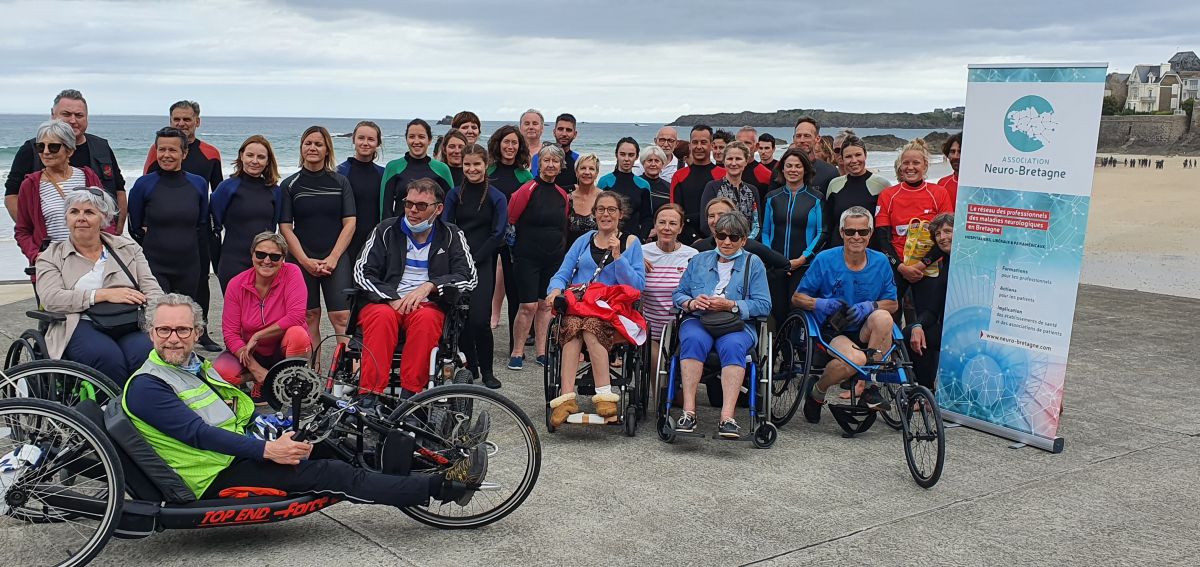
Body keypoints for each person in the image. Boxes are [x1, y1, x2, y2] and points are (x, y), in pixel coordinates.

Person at [122, 293, 487, 507]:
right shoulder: (148, 386)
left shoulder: (193, 365)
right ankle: (446, 487)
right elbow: (199, 435)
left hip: (240, 447)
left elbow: (231, 413)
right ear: (150, 332)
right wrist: (270, 451)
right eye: (164, 330)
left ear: (197, 333)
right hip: (212, 474)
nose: (173, 338)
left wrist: (274, 431)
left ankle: (438, 458)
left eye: (182, 329)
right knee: (333, 473)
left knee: (339, 440)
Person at [354, 178, 477, 407]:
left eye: (421, 206)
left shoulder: (451, 235)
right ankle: (369, 397)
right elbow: (362, 272)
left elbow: (468, 277)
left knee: (427, 319)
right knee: (381, 318)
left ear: (438, 209)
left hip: (427, 304)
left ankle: (411, 397)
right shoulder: (385, 230)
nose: (412, 210)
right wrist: (391, 298)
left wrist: (430, 286)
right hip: (387, 302)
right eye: (408, 203)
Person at [35, 189, 162, 385]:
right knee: (107, 358)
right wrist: (102, 295)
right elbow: (51, 299)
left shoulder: (127, 248)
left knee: (144, 353)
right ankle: (111, 411)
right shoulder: (51, 256)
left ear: (104, 218)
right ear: (67, 217)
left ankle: (141, 406)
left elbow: (152, 289)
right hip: (79, 321)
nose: (81, 218)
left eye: (89, 212)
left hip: (128, 319)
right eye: (74, 212)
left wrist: (158, 321)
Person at [545, 191, 645, 426]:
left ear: (620, 214)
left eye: (611, 210)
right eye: (601, 209)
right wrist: (555, 290)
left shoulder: (631, 242)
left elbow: (637, 286)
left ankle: (604, 396)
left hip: (612, 309)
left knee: (590, 326)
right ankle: (566, 398)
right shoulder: (583, 240)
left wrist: (618, 256)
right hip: (581, 306)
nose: (606, 214)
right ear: (594, 214)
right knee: (569, 326)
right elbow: (563, 273)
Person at [672, 211, 771, 439]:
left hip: (736, 324)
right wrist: (691, 302)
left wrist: (731, 305)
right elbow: (678, 294)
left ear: (744, 240)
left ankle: (727, 417)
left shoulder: (753, 263)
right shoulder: (699, 260)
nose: (727, 241)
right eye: (722, 235)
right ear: (715, 236)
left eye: (734, 237)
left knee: (734, 345)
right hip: (699, 319)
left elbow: (764, 305)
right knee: (693, 340)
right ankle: (688, 412)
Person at [795, 206, 899, 420]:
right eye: (850, 231)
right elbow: (797, 298)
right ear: (842, 232)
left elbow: (893, 303)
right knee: (856, 359)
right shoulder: (825, 259)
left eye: (862, 232)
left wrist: (870, 306)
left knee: (883, 316)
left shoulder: (880, 261)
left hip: (866, 328)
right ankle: (818, 390)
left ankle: (870, 387)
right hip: (833, 329)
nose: (856, 237)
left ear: (870, 233)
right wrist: (822, 304)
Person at [141, 101, 224, 350]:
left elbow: (217, 193)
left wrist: (215, 227)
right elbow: (146, 188)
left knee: (200, 283)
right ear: (170, 121)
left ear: (197, 122)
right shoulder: (158, 151)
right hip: (164, 230)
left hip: (199, 229)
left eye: (187, 119)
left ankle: (203, 331)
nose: (181, 124)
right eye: (176, 119)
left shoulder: (210, 153)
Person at [279, 126, 357, 349]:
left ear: (327, 150)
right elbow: (285, 227)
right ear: (302, 148)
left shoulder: (340, 182)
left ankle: (345, 374)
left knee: (342, 317)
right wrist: (304, 261)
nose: (312, 147)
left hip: (336, 257)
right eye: (308, 143)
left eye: (318, 144)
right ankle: (313, 370)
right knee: (309, 316)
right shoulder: (289, 185)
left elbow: (350, 222)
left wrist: (333, 257)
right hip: (302, 258)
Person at [5, 89, 126, 231]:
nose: (73, 120)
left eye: (79, 115)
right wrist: (33, 236)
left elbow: (119, 190)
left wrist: (115, 234)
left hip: (98, 242)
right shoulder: (33, 149)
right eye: (66, 114)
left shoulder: (102, 147)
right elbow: (12, 195)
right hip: (50, 246)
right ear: (53, 115)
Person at [214, 232, 310, 404]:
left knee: (298, 334)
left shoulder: (292, 273)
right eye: (260, 254)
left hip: (282, 347)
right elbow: (230, 333)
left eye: (274, 256)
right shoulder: (236, 284)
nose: (267, 261)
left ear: (283, 259)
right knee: (221, 372)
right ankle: (261, 380)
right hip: (252, 352)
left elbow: (297, 316)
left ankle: (291, 382)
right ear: (252, 255)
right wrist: (255, 369)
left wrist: (258, 335)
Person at [443, 144, 507, 389]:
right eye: (467, 164)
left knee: (480, 319)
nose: (471, 169)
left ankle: (488, 371)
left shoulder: (496, 196)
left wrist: (475, 259)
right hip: (457, 263)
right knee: (461, 319)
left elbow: (498, 233)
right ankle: (472, 365)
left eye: (476, 164)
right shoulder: (454, 194)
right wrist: (459, 259)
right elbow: (447, 228)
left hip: (483, 262)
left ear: (485, 164)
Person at [873, 138, 952, 324]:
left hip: (928, 267)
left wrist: (920, 265)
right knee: (888, 319)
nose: (910, 167)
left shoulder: (938, 193)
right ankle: (889, 352)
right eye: (905, 163)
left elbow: (946, 238)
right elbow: (883, 238)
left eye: (916, 163)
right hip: (896, 267)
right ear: (900, 167)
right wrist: (900, 267)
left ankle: (918, 353)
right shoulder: (888, 195)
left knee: (925, 321)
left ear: (925, 166)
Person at [127, 127, 210, 303]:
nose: (166, 155)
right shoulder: (144, 184)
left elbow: (202, 223)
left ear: (184, 153)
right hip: (154, 264)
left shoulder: (198, 184)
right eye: (161, 149)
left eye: (172, 150)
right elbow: (134, 226)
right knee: (156, 316)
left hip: (189, 264)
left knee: (186, 316)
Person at [507, 145, 571, 370]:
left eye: (555, 161)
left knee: (545, 305)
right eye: (546, 160)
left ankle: (542, 351)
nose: (551, 165)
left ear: (561, 166)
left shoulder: (562, 194)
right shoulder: (527, 189)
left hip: (553, 257)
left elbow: (562, 225)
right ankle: (517, 351)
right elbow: (511, 221)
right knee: (527, 306)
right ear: (539, 164)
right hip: (527, 256)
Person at [15, 119, 109, 264]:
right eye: (40, 146)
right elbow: (23, 230)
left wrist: (106, 251)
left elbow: (106, 218)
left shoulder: (88, 177)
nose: (45, 152)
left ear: (69, 150)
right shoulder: (30, 185)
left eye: (53, 147)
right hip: (53, 264)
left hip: (91, 261)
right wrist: (36, 255)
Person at [761, 147, 826, 323]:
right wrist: (773, 258)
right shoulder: (772, 197)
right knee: (778, 311)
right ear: (782, 169)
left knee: (798, 313)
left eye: (797, 166)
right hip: (776, 267)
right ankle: (779, 349)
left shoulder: (816, 198)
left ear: (805, 169)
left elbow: (822, 232)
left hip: (804, 266)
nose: (793, 170)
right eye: (788, 166)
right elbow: (765, 231)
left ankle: (799, 348)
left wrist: (803, 258)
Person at [211, 135, 283, 291]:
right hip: (233, 261)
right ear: (241, 156)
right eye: (250, 155)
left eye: (261, 157)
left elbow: (273, 228)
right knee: (237, 314)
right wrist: (216, 264)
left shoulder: (275, 191)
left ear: (268, 161)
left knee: (266, 313)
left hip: (265, 263)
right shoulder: (226, 188)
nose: (255, 161)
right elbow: (215, 228)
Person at [641, 204, 698, 388]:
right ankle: (660, 399)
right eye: (662, 222)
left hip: (681, 327)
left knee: (678, 397)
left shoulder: (692, 255)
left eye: (673, 223)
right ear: (655, 226)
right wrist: (635, 266)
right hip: (651, 327)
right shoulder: (641, 252)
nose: (667, 227)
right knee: (659, 378)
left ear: (680, 228)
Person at [484, 125, 533, 335]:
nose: (510, 146)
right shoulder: (487, 172)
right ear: (498, 144)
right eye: (506, 142)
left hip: (514, 240)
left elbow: (529, 210)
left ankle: (516, 344)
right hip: (488, 236)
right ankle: (481, 335)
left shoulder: (525, 176)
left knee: (514, 291)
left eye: (514, 142)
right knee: (485, 287)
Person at [907, 213, 952, 391]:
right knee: (910, 333)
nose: (942, 237)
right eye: (938, 234)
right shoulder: (944, 264)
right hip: (949, 330)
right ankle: (926, 392)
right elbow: (933, 310)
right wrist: (917, 325)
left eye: (948, 231)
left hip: (974, 332)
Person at [381, 119, 454, 217]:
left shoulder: (442, 169)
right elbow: (385, 209)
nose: (416, 141)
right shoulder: (393, 167)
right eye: (411, 137)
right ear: (406, 139)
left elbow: (450, 208)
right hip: (400, 230)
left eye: (421, 137)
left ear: (429, 140)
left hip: (433, 230)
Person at [825, 136, 890, 247]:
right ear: (842, 159)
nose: (854, 160)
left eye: (858, 155)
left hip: (870, 253)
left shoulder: (882, 185)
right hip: (839, 251)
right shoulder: (834, 185)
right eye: (848, 156)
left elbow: (887, 227)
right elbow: (829, 224)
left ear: (865, 155)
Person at [692, 197, 788, 271]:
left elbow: (784, 264)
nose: (716, 220)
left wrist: (759, 280)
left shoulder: (751, 246)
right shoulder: (699, 248)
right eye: (711, 216)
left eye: (721, 215)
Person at [336, 121, 385, 265]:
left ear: (378, 143)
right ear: (354, 140)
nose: (365, 143)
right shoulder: (340, 172)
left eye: (371, 139)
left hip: (374, 241)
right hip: (345, 241)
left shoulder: (383, 174)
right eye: (361, 138)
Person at [670, 125, 726, 243]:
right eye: (695, 142)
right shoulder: (679, 176)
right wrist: (695, 239)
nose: (699, 147)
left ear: (712, 145)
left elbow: (727, 213)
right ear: (690, 146)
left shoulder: (723, 175)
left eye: (703, 142)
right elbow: (675, 214)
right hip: (687, 240)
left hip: (719, 239)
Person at [699, 141, 760, 238]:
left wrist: (746, 242)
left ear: (746, 161)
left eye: (738, 159)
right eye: (730, 159)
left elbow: (757, 223)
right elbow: (705, 223)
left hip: (747, 245)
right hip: (720, 243)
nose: (733, 163)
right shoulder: (712, 187)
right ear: (724, 161)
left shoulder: (752, 190)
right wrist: (725, 240)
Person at [597, 137, 653, 240]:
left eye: (631, 155)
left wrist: (641, 239)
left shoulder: (643, 185)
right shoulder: (605, 182)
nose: (626, 159)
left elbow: (647, 218)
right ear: (616, 155)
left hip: (633, 240)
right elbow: (597, 213)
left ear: (636, 157)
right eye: (622, 154)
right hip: (607, 239)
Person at [790, 117, 839, 193]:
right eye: (798, 136)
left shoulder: (830, 172)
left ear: (817, 138)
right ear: (793, 138)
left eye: (807, 136)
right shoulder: (781, 170)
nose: (802, 140)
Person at [532, 113, 580, 189]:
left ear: (575, 134)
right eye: (560, 129)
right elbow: (536, 187)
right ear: (554, 132)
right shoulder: (539, 157)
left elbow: (581, 190)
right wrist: (571, 187)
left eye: (568, 130)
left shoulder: (578, 160)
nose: (564, 134)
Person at [566, 154, 602, 244]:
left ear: (597, 173)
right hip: (570, 253)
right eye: (583, 168)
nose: (587, 172)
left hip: (597, 254)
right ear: (576, 172)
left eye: (591, 168)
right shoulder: (567, 198)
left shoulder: (604, 198)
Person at [735, 126, 773, 204]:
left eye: (747, 143)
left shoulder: (766, 175)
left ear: (756, 147)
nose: (742, 147)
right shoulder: (726, 172)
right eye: (739, 143)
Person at [638, 145, 671, 213]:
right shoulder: (635, 183)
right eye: (649, 160)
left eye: (657, 161)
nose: (653, 164)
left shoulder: (669, 187)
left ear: (662, 164)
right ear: (643, 163)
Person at [938, 133, 962, 205]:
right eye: (952, 151)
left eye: (960, 151)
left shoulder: (980, 187)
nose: (955, 156)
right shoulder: (942, 184)